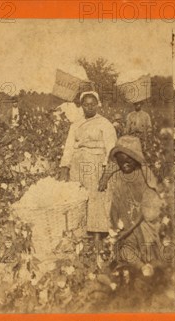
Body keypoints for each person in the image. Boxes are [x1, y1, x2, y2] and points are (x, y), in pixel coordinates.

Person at [59, 91, 117, 256]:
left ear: (98, 104)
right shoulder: (76, 124)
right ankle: (80, 239)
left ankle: (98, 241)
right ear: (82, 105)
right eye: (86, 104)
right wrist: (65, 168)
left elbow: (111, 149)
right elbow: (69, 147)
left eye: (93, 104)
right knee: (78, 200)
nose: (89, 107)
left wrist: (106, 174)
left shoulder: (105, 124)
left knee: (96, 200)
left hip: (96, 165)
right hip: (78, 166)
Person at [98, 136, 164, 277]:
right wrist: (115, 226)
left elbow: (147, 210)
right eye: (121, 163)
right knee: (123, 250)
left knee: (149, 247)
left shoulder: (143, 178)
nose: (125, 166)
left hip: (142, 224)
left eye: (129, 162)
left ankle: (149, 265)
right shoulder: (117, 178)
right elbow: (114, 205)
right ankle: (141, 267)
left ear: (137, 160)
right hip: (126, 224)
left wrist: (131, 227)